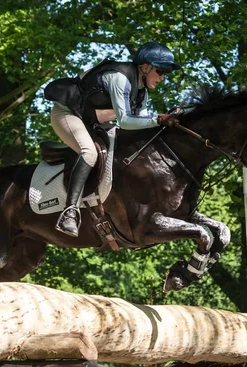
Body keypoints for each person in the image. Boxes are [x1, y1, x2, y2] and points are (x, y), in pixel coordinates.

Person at [46, 41, 182, 237]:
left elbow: (141, 123)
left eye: (166, 73)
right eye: (160, 71)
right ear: (145, 66)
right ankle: (70, 212)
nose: (163, 77)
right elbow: (126, 121)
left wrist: (165, 120)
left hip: (93, 121)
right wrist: (159, 119)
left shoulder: (141, 92)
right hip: (68, 114)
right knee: (89, 152)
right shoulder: (120, 78)